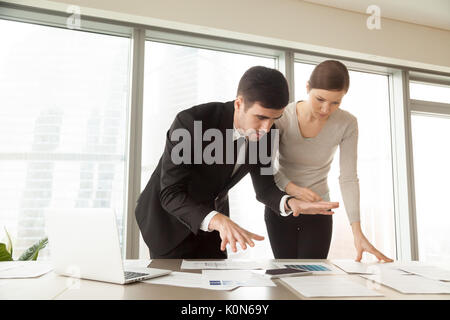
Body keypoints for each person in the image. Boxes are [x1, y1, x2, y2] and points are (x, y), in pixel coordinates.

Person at [135, 66, 339, 259]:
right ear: (239, 103)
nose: (266, 128)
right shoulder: (191, 122)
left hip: (216, 226)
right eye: (260, 117)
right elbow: (171, 194)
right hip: (168, 223)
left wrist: (290, 202)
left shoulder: (268, 135)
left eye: (274, 118)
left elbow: (265, 188)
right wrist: (218, 220)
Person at [265, 60, 393, 262]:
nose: (326, 109)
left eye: (335, 102)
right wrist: (293, 189)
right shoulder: (282, 117)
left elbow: (348, 177)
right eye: (320, 99)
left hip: (319, 208)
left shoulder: (347, 123)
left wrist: (357, 232)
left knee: (313, 277)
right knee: (286, 275)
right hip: (283, 205)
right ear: (307, 88)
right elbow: (265, 166)